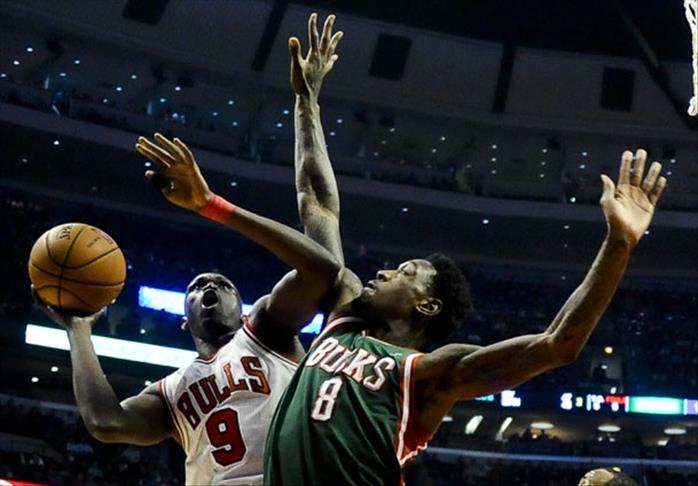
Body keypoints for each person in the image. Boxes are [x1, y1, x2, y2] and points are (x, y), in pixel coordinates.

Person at [263, 13, 668, 485]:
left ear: (427, 304)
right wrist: (306, 102)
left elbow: (557, 345)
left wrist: (618, 243)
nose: (385, 272)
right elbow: (318, 204)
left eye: (405, 272)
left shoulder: (432, 375)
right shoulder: (343, 314)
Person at [34, 133, 343, 485]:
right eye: (196, 287)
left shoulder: (266, 331)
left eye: (223, 285)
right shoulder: (171, 391)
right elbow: (107, 423)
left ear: (243, 312)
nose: (209, 286)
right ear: (184, 321)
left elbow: (322, 271)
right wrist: (78, 330)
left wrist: (213, 205)